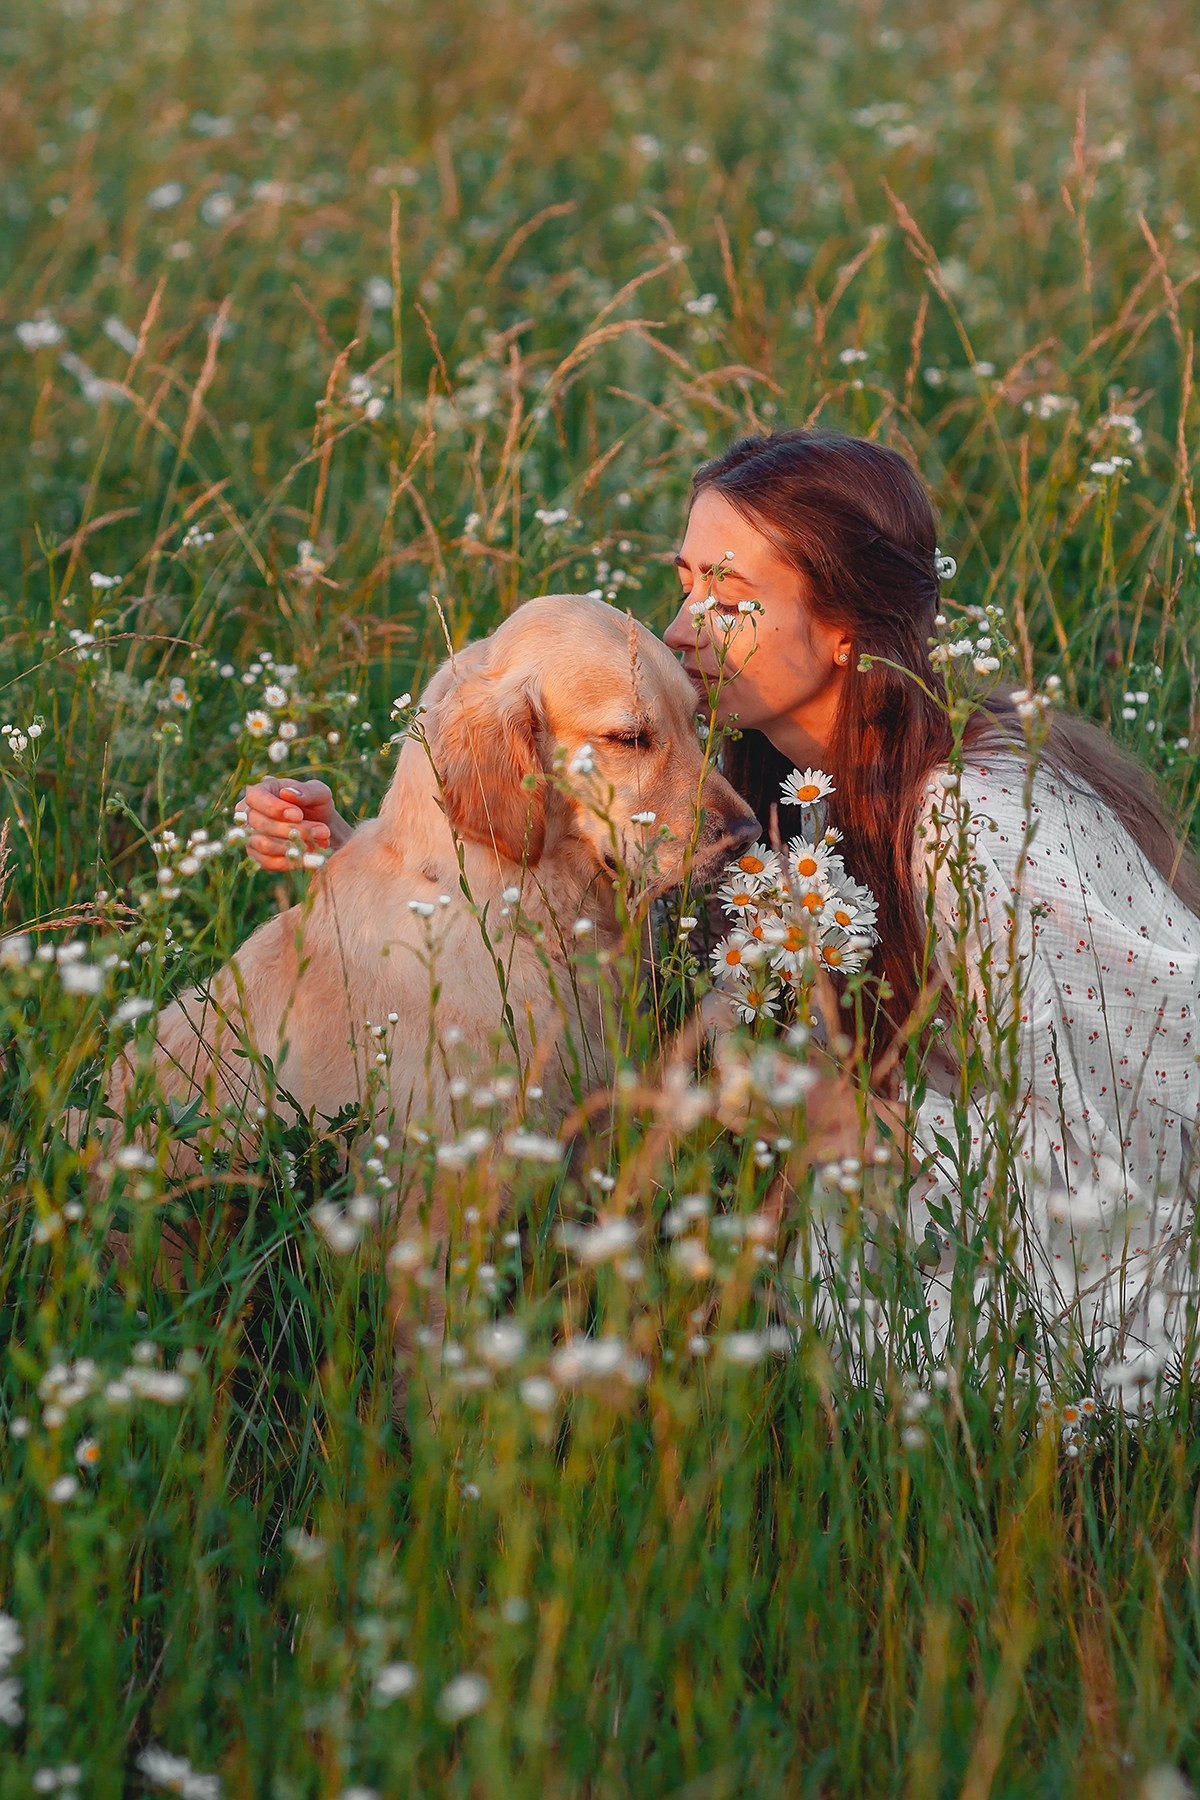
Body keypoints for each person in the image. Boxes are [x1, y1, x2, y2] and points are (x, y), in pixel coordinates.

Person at [240, 429, 1200, 1397]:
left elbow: (1153, 1115)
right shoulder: (752, 778)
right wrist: (350, 858)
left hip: (1106, 1250)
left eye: (733, 601)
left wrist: (884, 1128)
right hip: (908, 1203)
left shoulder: (984, 827)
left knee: (824, 1300)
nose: (686, 629)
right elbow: (533, 863)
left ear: (842, 631)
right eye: (687, 582)